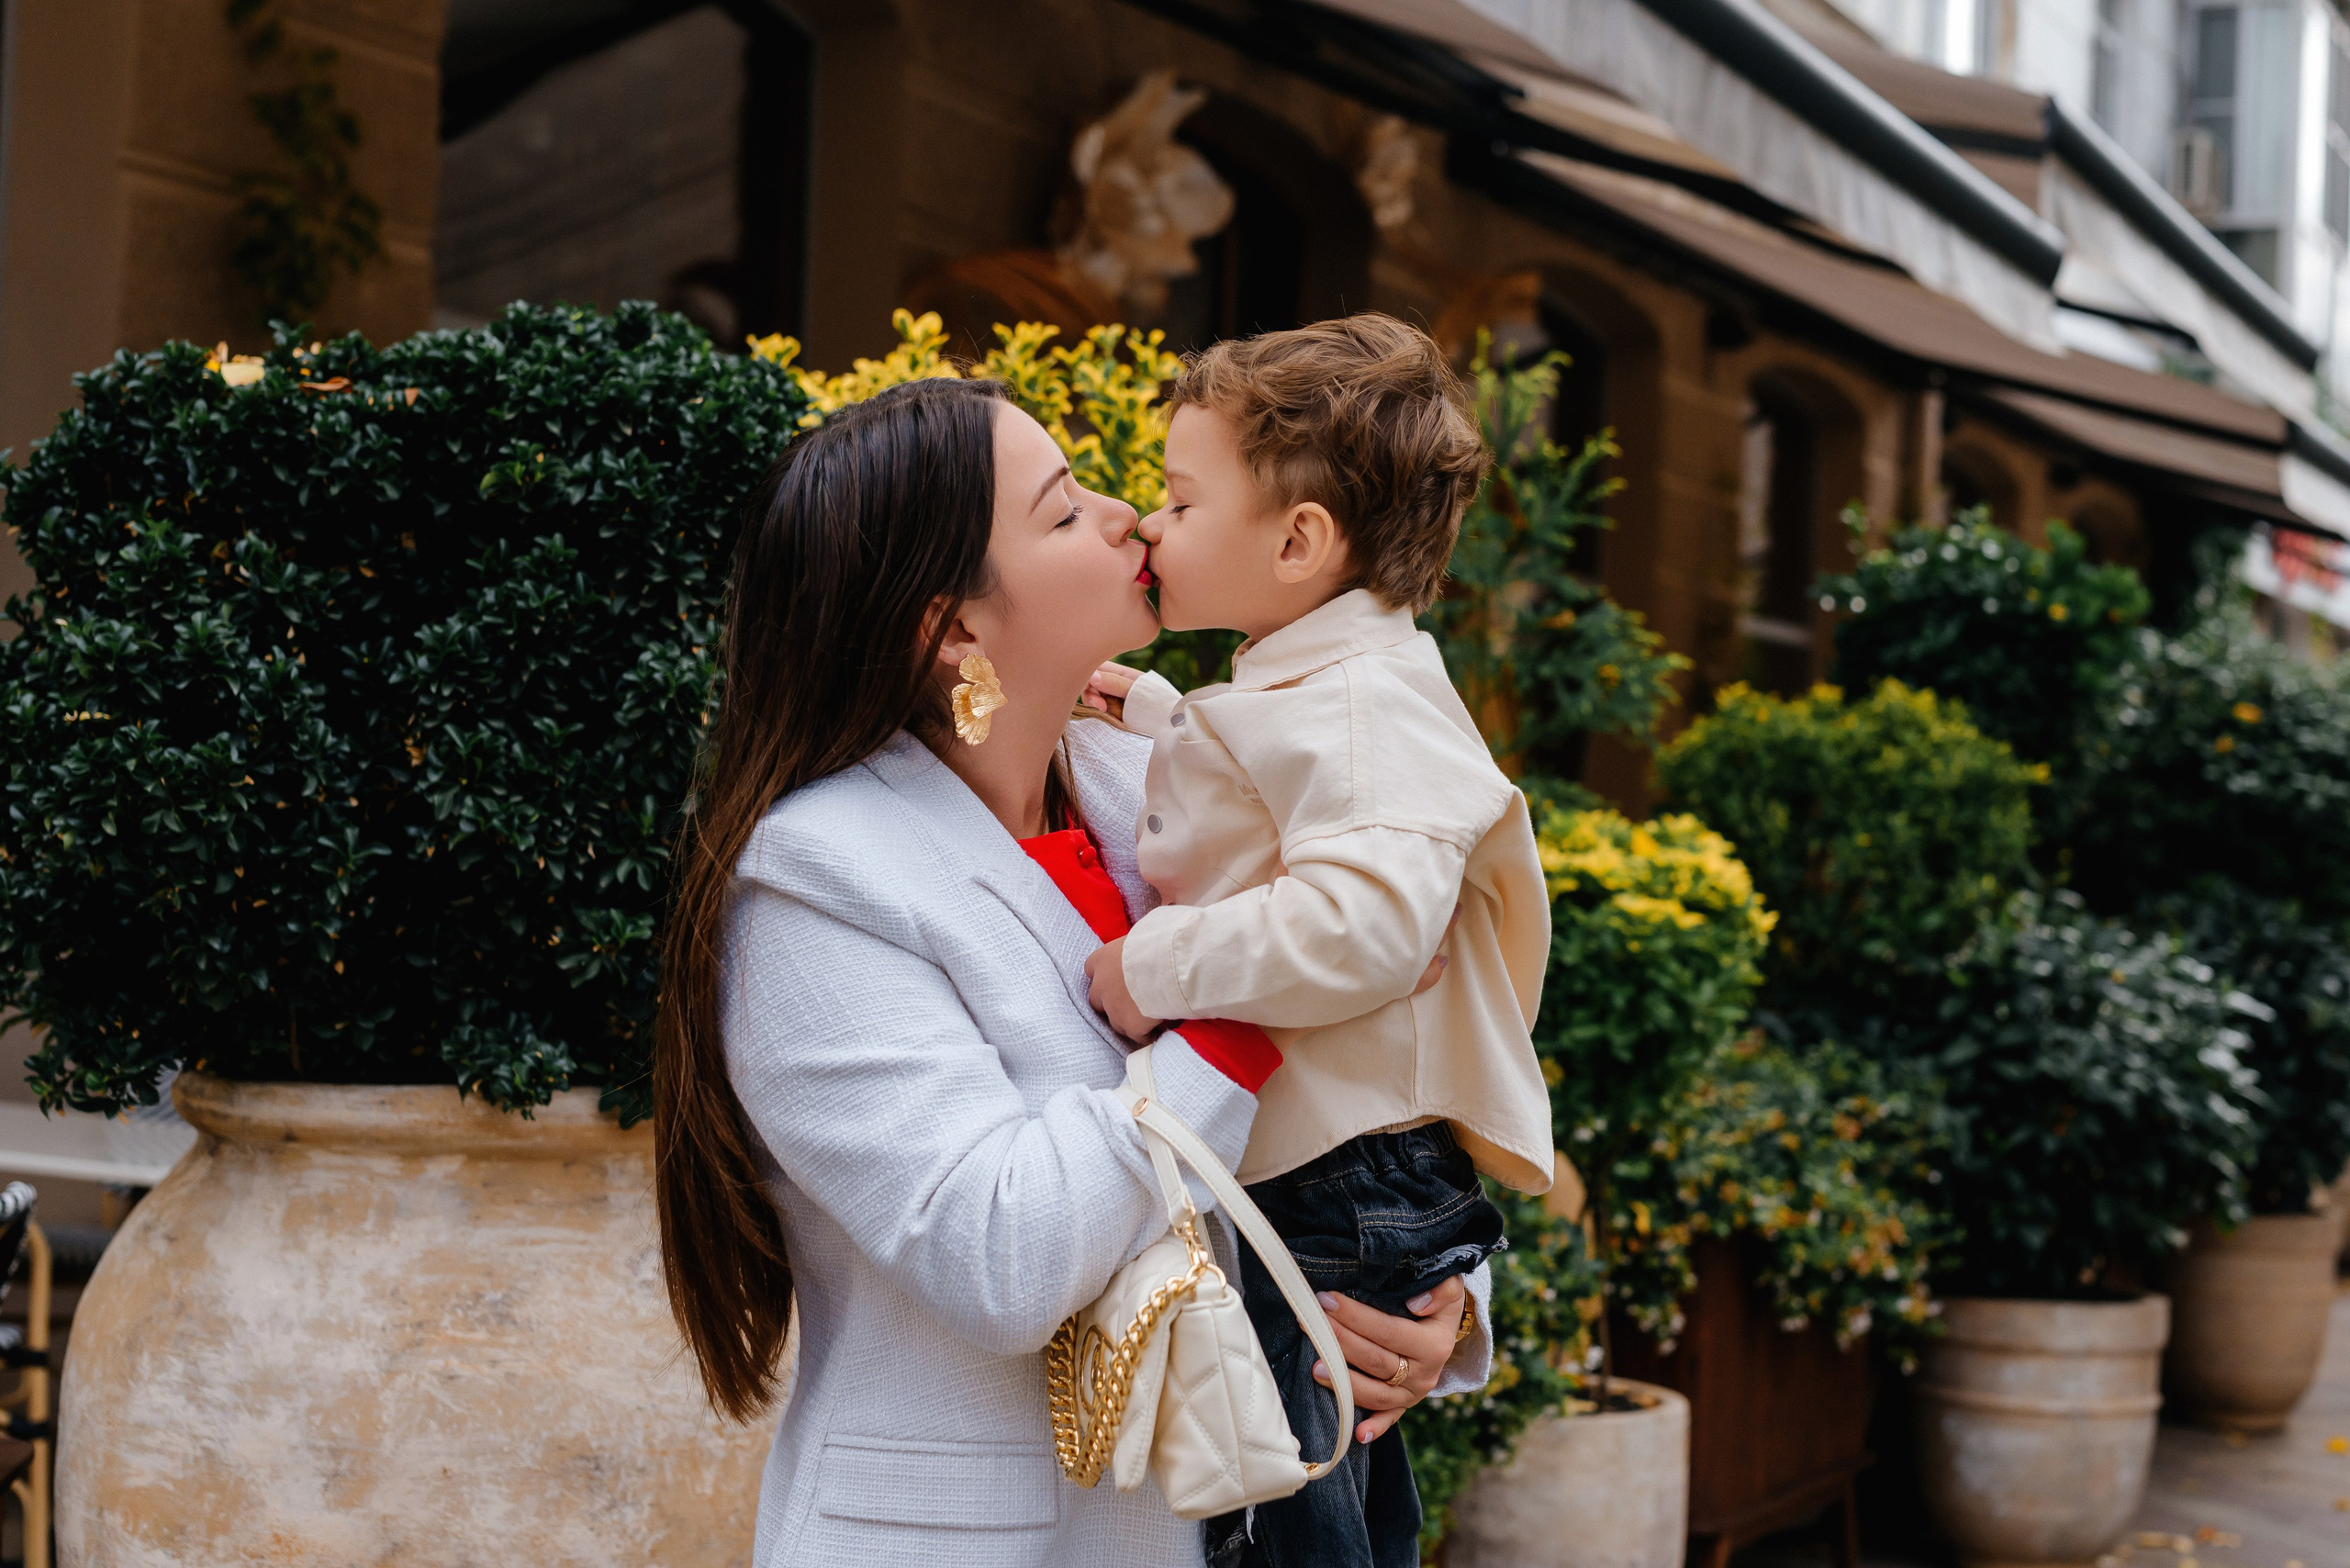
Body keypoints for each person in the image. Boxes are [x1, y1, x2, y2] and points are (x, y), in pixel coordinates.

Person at [652, 375, 1492, 1568]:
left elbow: (1374, 1050)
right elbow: (999, 1255)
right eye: (1062, 511)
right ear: (953, 629)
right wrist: (1243, 1012)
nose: (1124, 517)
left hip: (1237, 1512)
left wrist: (1428, 1290)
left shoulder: (1150, 791)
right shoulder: (816, 879)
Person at [1082, 317, 1555, 1568]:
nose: (1146, 522)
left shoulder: (1356, 712)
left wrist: (1149, 969)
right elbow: (1284, 802)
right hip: (1349, 1173)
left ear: (1298, 542)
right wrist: (1158, 707)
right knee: (1335, 1494)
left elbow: (1368, 921)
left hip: (1333, 1184)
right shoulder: (1342, 685)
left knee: (1289, 1504)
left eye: (1180, 500)